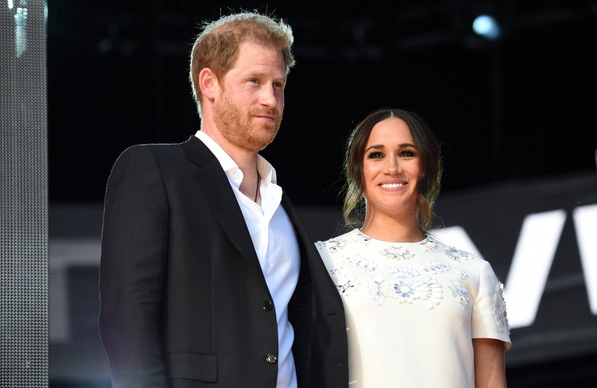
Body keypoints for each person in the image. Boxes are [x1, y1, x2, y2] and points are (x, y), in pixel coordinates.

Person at [98, 11, 348, 388]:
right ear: (209, 83)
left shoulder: (280, 203)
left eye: (278, 85)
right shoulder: (154, 169)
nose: (270, 98)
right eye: (254, 81)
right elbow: (127, 319)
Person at [315, 108, 511, 387]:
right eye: (376, 154)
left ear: (426, 168)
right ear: (358, 171)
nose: (392, 167)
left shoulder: (473, 272)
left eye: (407, 152)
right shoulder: (321, 263)